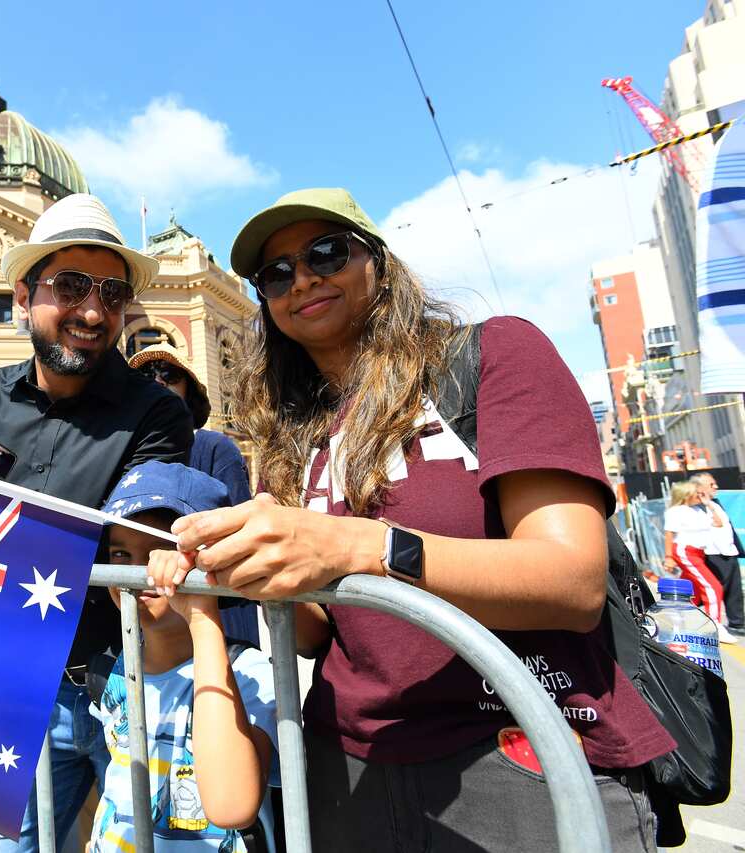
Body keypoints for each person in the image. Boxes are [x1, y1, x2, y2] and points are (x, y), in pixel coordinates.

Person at [167, 188, 675, 852]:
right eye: (277, 273)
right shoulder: (289, 434)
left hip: (520, 753)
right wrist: (227, 571)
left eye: (326, 251)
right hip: (350, 765)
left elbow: (572, 582)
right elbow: (319, 629)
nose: (304, 278)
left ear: (378, 262)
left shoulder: (491, 356)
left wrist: (363, 545)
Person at [0, 192, 193, 853]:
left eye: (113, 294)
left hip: (129, 691)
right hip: (8, 688)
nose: (93, 311)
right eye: (70, 286)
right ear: (23, 296)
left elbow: (134, 557)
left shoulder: (157, 414)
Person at [91, 461, 278, 853]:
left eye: (160, 553)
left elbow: (232, 804)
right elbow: (118, 784)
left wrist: (200, 611)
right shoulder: (115, 673)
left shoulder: (248, 676)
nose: (140, 573)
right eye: (121, 554)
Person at [127, 343, 257, 645]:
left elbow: (242, 539)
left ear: (189, 391)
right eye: (146, 375)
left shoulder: (215, 448)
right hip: (148, 637)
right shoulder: (125, 457)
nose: (157, 381)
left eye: (169, 374)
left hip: (219, 622)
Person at [664, 480, 734, 642]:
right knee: (713, 586)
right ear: (686, 493)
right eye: (697, 492)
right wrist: (668, 558)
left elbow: (718, 523)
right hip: (685, 551)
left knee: (690, 591)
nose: (700, 495)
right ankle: (714, 625)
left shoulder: (697, 510)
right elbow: (669, 534)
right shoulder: (676, 511)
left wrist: (707, 503)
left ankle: (673, 619)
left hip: (698, 553)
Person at [691, 472, 745, 637]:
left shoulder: (715, 503)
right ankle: (702, 622)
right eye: (711, 485)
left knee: (734, 590)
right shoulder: (695, 506)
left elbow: (724, 526)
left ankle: (737, 623)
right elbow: (714, 523)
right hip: (711, 553)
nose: (716, 487)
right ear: (700, 488)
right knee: (712, 590)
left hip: (728, 551)